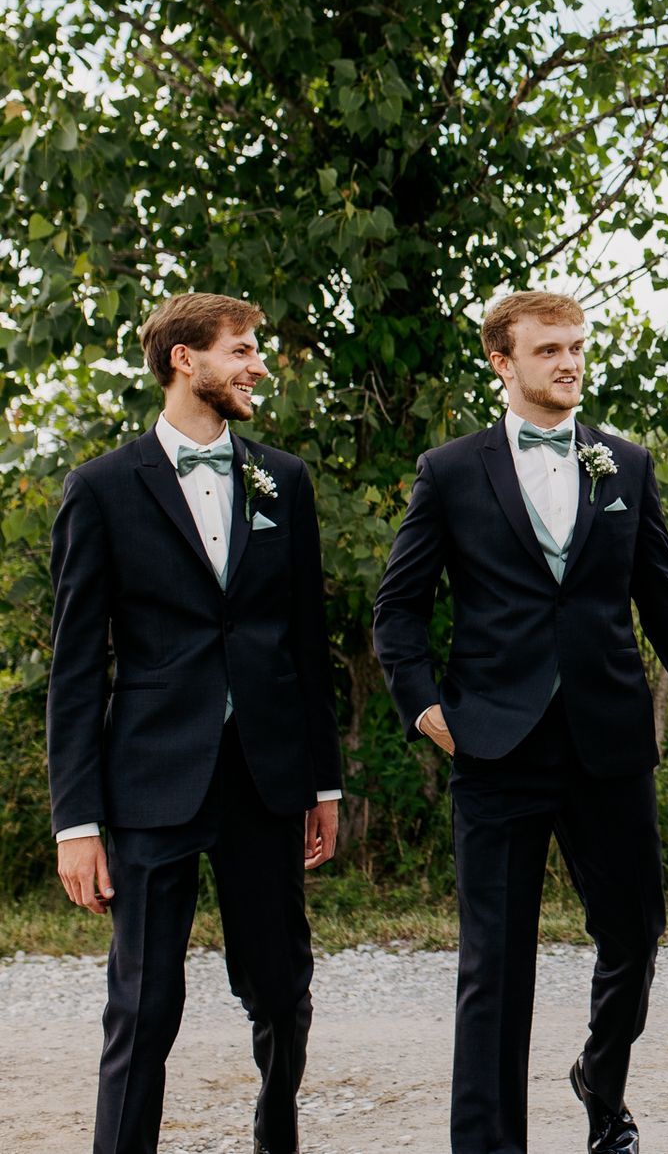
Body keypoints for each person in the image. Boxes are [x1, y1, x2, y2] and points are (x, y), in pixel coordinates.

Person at [372, 292, 668, 1154]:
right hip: (493, 743)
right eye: (549, 349)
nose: (569, 362)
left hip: (609, 742)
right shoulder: (451, 470)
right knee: (493, 962)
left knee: (635, 934)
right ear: (503, 361)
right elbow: (398, 608)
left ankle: (601, 1078)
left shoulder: (625, 464)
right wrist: (425, 707)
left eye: (577, 346)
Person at [46, 293, 342, 1154]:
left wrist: (323, 781)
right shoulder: (101, 487)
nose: (258, 366)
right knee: (143, 1003)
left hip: (265, 777)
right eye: (241, 349)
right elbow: (76, 666)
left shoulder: (284, 480)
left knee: (281, 989)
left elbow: (307, 641)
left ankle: (276, 1133)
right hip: (150, 779)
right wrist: (76, 820)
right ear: (185, 359)